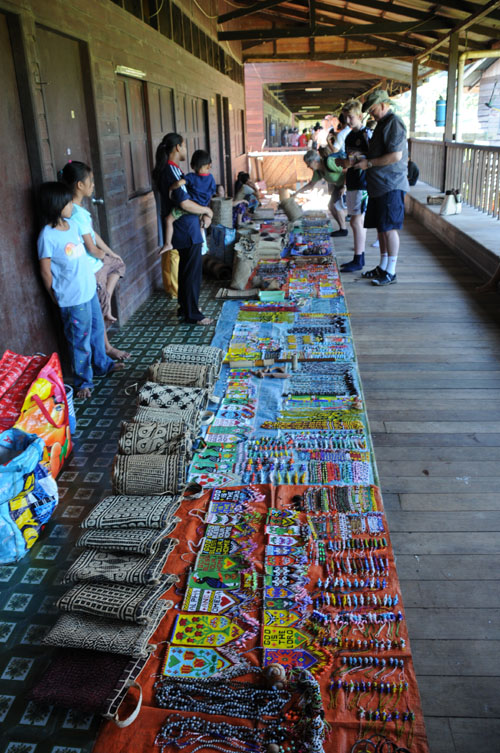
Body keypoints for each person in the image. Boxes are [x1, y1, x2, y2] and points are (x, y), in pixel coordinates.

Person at [37, 182, 122, 399]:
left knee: (96, 329)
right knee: (79, 341)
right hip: (71, 298)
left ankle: (103, 364)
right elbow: (46, 271)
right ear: (56, 205)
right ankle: (84, 381)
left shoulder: (72, 226)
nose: (71, 207)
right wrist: (53, 294)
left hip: (88, 290)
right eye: (67, 203)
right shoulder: (47, 236)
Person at [60, 161, 129, 361]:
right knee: (99, 311)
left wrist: (110, 253)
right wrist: (103, 255)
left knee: (118, 264)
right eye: (90, 181)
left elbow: (93, 234)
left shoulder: (80, 210)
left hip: (99, 262)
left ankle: (105, 293)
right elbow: (90, 248)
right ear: (79, 185)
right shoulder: (73, 213)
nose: (92, 185)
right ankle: (106, 347)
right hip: (92, 267)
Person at [152, 132, 214, 325]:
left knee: (187, 270)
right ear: (178, 147)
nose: (186, 149)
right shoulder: (169, 171)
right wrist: (207, 211)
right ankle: (193, 314)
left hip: (188, 226)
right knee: (191, 272)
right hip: (185, 228)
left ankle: (185, 308)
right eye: (184, 145)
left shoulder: (176, 170)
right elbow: (184, 203)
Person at [356, 90, 409, 286]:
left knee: (389, 228)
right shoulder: (381, 124)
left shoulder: (394, 122)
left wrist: (368, 164)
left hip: (391, 184)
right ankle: (383, 266)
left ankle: (391, 271)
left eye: (373, 109)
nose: (372, 114)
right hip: (378, 185)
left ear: (384, 105)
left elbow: (395, 156)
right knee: (381, 228)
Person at [159, 149, 215, 257]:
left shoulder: (191, 177)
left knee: (169, 219)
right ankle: (203, 244)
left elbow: (180, 183)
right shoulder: (211, 179)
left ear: (192, 165)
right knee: (201, 226)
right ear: (209, 166)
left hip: (188, 208)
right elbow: (211, 193)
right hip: (201, 208)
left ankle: (168, 243)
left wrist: (171, 188)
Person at [336, 99, 371, 272]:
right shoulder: (349, 136)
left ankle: (359, 258)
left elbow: (372, 158)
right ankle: (358, 257)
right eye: (345, 118)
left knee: (357, 221)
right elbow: (348, 159)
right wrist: (342, 161)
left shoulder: (367, 134)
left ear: (360, 115)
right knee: (355, 221)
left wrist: (354, 159)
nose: (347, 121)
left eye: (350, 117)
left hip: (363, 182)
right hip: (351, 180)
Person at [294, 149, 348, 236]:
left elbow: (347, 170)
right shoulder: (318, 171)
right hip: (338, 185)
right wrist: (296, 193)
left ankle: (343, 229)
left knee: (337, 204)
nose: (308, 166)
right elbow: (311, 185)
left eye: (308, 164)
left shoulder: (330, 163)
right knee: (331, 205)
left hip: (347, 183)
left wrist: (344, 187)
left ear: (314, 161)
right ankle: (342, 227)